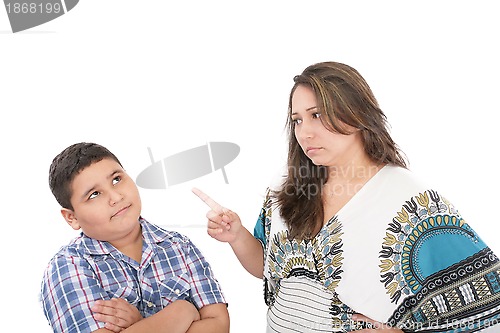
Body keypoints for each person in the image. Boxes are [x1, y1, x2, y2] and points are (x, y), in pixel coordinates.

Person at [193, 61, 500, 332]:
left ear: (355, 114)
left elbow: (487, 307)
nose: (304, 133)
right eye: (297, 119)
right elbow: (270, 270)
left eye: (317, 115)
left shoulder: (409, 200)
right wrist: (237, 236)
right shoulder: (289, 185)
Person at [40, 142, 229, 333]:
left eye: (116, 179)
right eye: (94, 194)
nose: (115, 196)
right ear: (72, 218)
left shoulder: (180, 247)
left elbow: (219, 325)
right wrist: (182, 312)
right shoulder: (68, 266)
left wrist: (138, 324)